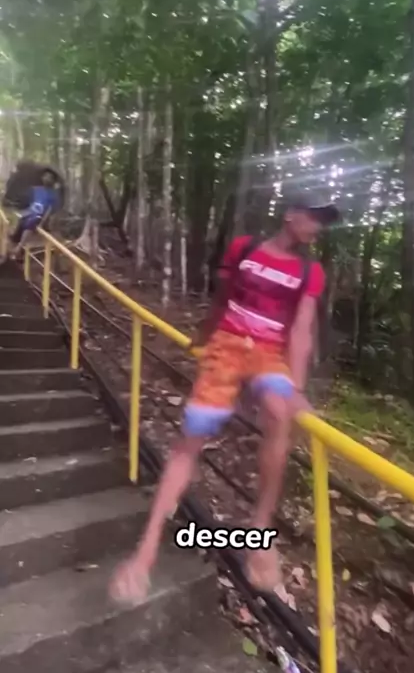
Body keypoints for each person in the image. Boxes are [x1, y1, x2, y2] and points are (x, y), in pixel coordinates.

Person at [110, 191, 340, 605]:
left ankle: (260, 530)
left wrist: (297, 389)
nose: (317, 227)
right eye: (314, 217)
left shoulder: (311, 271)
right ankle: (144, 553)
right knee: (190, 438)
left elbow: (301, 331)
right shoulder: (244, 249)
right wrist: (204, 333)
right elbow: (223, 297)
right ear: (291, 215)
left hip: (269, 354)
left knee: (280, 413)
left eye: (323, 221)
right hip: (226, 347)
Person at [8, 168, 59, 259]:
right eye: (45, 176)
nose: (47, 178)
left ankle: (19, 248)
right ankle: (16, 247)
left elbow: (49, 210)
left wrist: (43, 223)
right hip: (30, 212)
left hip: (40, 216)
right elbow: (26, 199)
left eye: (49, 177)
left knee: (32, 221)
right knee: (21, 220)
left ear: (53, 181)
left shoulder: (53, 194)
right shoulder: (36, 189)